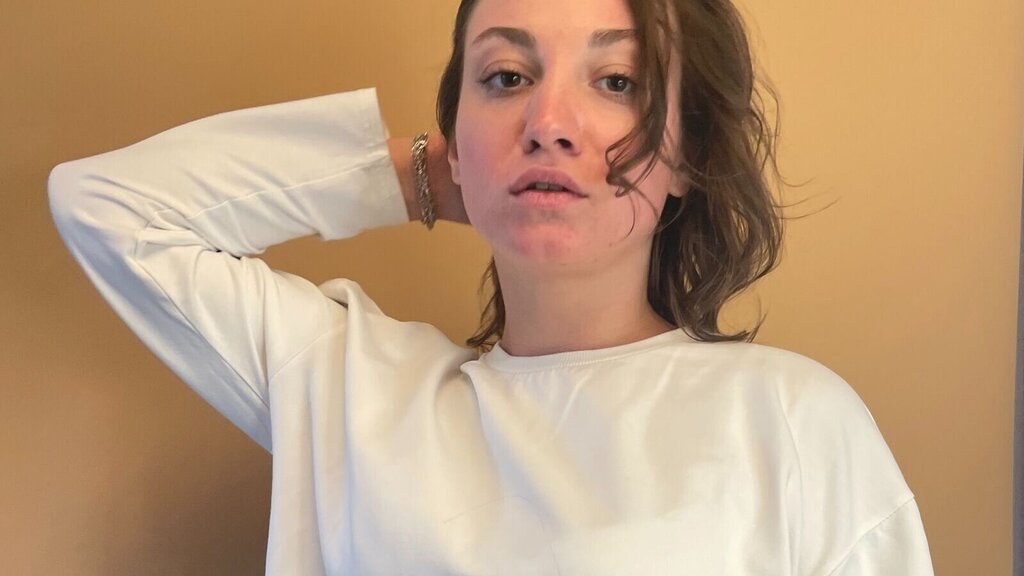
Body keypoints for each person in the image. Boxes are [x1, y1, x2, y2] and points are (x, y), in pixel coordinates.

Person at [47, 0, 935, 574]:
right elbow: (107, 206)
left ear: (687, 153)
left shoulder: (791, 421)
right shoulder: (346, 388)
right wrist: (429, 177)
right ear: (455, 136)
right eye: (507, 78)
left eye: (616, 81)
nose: (547, 123)